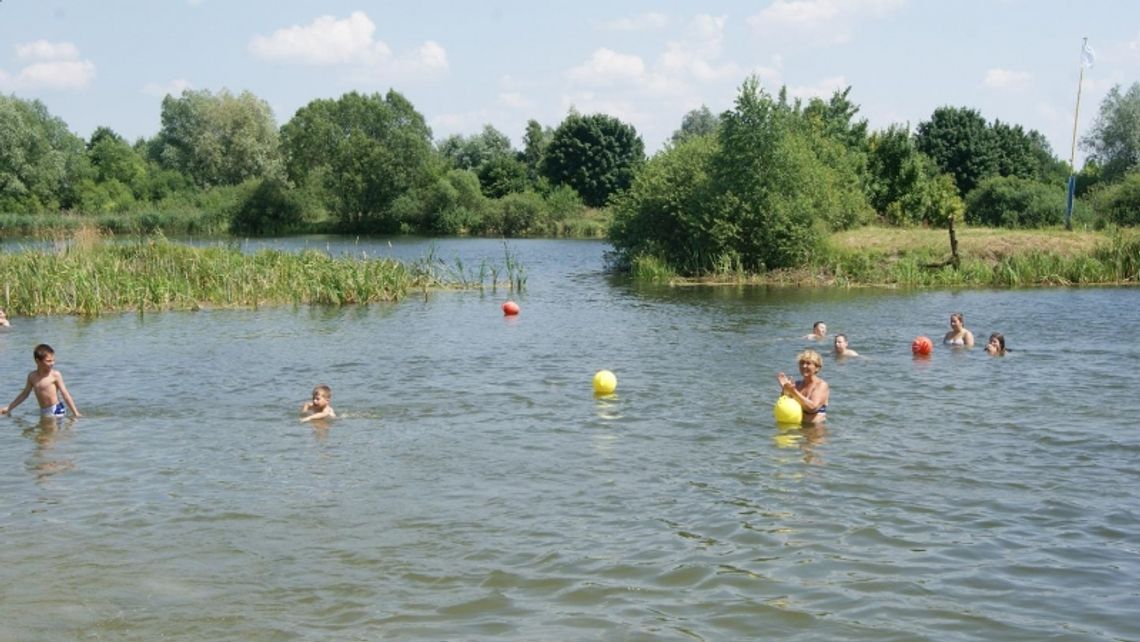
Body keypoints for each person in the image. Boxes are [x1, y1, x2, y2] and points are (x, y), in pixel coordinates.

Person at [0, 344, 81, 419]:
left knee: (48, 434)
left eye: (53, 360)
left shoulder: (55, 375)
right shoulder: (32, 376)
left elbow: (65, 394)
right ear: (37, 361)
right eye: (48, 361)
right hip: (43, 410)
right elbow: (24, 394)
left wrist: (76, 413)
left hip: (56, 409)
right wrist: (9, 408)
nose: (52, 363)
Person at [776, 349, 830, 423]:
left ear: (817, 367)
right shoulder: (797, 384)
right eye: (802, 363)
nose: (804, 366)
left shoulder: (821, 385)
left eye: (808, 363)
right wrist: (785, 390)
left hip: (815, 430)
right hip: (798, 427)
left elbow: (812, 407)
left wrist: (793, 391)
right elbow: (785, 406)